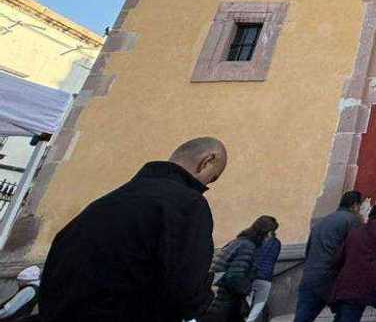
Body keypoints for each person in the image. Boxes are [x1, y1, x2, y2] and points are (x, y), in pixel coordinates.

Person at [40, 136, 227, 322]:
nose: (205, 186)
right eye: (211, 179)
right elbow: (185, 291)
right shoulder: (187, 204)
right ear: (207, 162)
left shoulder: (103, 204)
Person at [330, 201, 376, 322]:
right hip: (374, 280)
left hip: (348, 282)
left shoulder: (356, 231)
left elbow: (339, 258)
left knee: (347, 315)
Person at [295, 191, 364, 322]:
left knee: (303, 317)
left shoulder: (321, 222)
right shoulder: (352, 221)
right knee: (350, 312)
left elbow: (309, 249)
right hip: (332, 277)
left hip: (310, 274)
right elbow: (355, 250)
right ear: (355, 206)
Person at [203, 216, 278, 322]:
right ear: (264, 232)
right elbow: (234, 276)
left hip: (220, 297)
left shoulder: (240, 242)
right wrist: (246, 289)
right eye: (271, 233)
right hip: (225, 300)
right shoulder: (248, 246)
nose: (271, 237)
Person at [246, 216, 282, 322]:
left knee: (246, 305)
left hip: (250, 277)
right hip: (265, 278)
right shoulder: (276, 243)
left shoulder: (250, 240)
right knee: (256, 309)